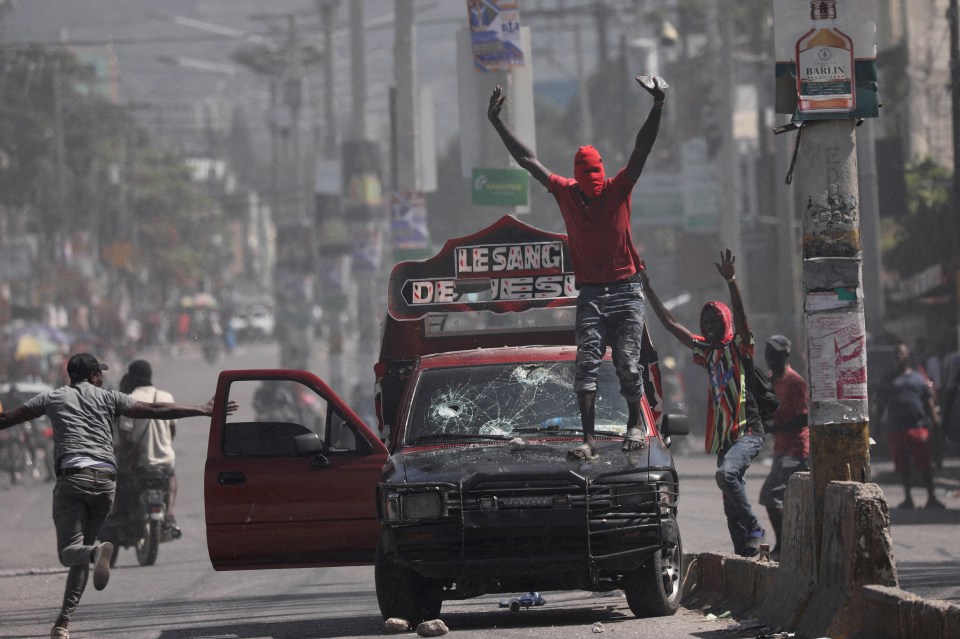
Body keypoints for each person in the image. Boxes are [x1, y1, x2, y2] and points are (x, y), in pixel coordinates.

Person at [487, 74, 666, 460]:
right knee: (585, 364)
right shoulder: (566, 192)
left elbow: (641, 149)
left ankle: (635, 422)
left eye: (596, 181)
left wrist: (657, 106)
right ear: (578, 179)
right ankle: (588, 440)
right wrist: (497, 122)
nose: (593, 188)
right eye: (587, 183)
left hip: (626, 290)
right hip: (590, 292)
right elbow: (526, 159)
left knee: (628, 364)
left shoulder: (618, 189)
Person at [0, 352, 238, 639]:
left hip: (73, 481)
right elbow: (157, 410)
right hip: (105, 483)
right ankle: (63, 622)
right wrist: (202, 409)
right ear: (92, 377)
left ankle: (95, 554)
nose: (103, 377)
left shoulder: (53, 398)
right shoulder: (109, 398)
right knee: (82, 550)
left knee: (69, 553)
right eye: (100, 373)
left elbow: (8, 418)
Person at [639, 250, 767, 557]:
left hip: (748, 433)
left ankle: (755, 527)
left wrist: (731, 281)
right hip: (726, 439)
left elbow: (742, 317)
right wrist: (648, 289)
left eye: (715, 321)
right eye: (705, 321)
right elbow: (671, 325)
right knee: (728, 503)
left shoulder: (739, 347)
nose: (709, 326)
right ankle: (746, 555)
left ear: (725, 323)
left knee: (726, 476)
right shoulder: (706, 352)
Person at [875, 342, 945, 510]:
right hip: (897, 428)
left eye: (902, 353)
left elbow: (928, 400)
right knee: (903, 465)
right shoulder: (888, 379)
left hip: (917, 426)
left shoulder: (918, 377)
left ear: (908, 355)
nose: (900, 356)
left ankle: (931, 497)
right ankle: (908, 498)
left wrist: (935, 422)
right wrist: (876, 425)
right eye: (897, 353)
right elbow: (881, 404)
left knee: (924, 463)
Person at [757, 335, 809, 560]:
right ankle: (788, 543)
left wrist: (775, 428)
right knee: (772, 497)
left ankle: (786, 545)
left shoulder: (795, 382)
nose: (770, 358)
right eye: (768, 353)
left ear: (785, 355)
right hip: (781, 449)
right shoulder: (770, 379)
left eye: (775, 354)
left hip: (795, 450)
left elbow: (803, 419)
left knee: (772, 497)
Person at [116, 359, 181, 533]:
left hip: (141, 462)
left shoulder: (129, 399)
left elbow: (126, 437)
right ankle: (171, 513)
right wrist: (164, 445)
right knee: (172, 473)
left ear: (132, 377)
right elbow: (172, 430)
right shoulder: (167, 397)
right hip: (165, 460)